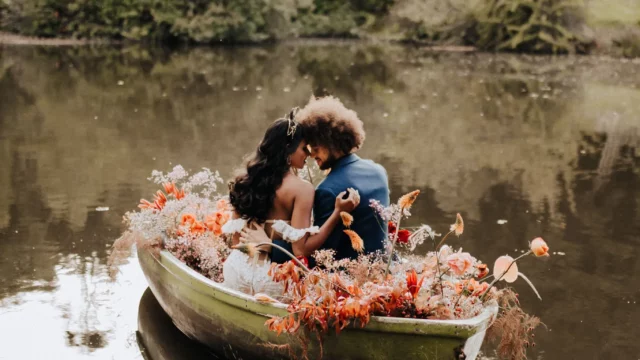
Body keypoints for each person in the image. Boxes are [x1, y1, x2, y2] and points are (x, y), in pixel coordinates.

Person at [221, 108, 359, 299]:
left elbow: (236, 243)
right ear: (288, 149)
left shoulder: (243, 181)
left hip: (235, 272)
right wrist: (337, 213)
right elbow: (300, 250)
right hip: (271, 280)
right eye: (304, 148)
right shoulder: (301, 189)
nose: (308, 155)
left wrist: (257, 247)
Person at [269, 96, 390, 266]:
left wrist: (271, 244)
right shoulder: (378, 171)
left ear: (331, 142)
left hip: (348, 275)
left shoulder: (328, 190)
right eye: (308, 149)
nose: (311, 155)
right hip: (384, 266)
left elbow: (320, 254)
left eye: (315, 148)